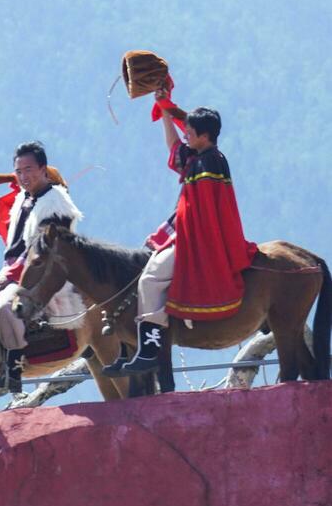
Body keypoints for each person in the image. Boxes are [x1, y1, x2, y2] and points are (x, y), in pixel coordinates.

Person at [105, 99, 257, 375]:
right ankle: (136, 345)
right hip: (186, 231)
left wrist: (185, 240)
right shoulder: (202, 158)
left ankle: (150, 349)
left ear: (204, 136)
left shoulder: (211, 163)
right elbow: (175, 149)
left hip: (198, 239)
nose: (185, 136)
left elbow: (205, 214)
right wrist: (165, 109)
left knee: (150, 280)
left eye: (190, 132)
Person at [0, 141, 83, 394]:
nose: (23, 176)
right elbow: (14, 236)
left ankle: (14, 368)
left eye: (28, 170)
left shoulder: (56, 204)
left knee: (7, 307)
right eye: (19, 171)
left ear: (42, 169)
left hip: (43, 274)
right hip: (15, 270)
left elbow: (42, 251)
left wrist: (9, 276)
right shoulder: (24, 199)